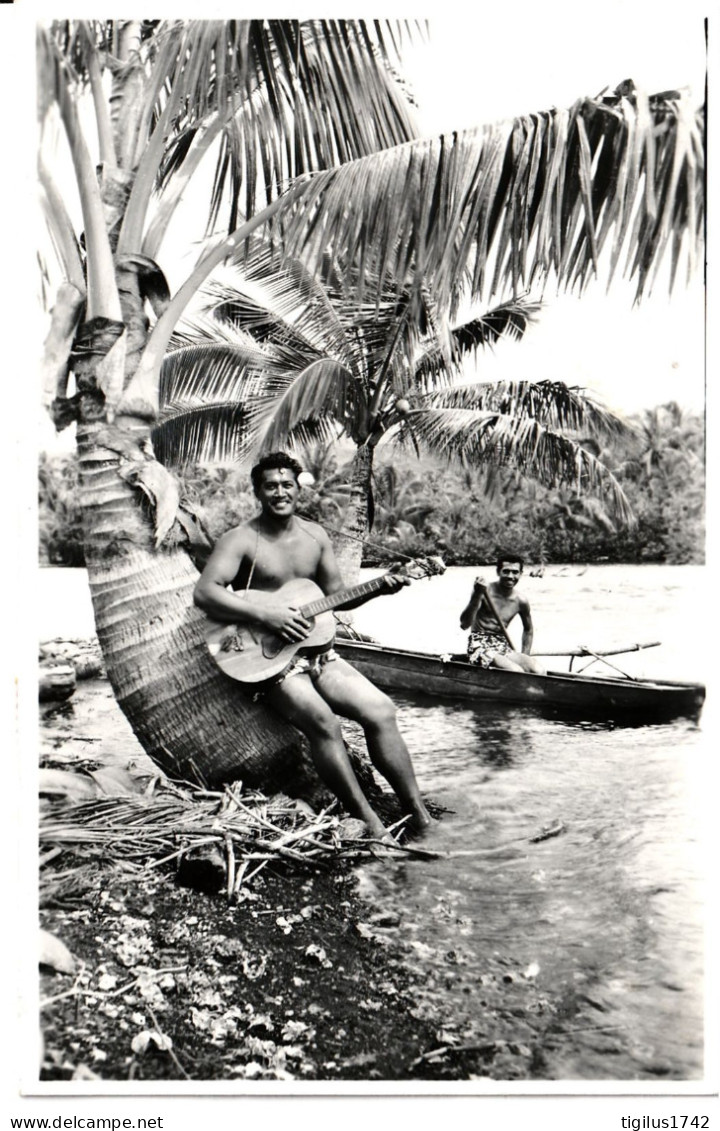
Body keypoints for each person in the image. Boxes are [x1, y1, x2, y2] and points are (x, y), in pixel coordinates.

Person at [193, 451, 432, 845]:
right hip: (265, 658)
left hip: (319, 653)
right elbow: (205, 593)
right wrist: (267, 616)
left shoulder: (315, 536)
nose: (280, 492)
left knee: (382, 711)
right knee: (326, 724)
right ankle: (370, 823)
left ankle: (419, 815)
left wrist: (380, 588)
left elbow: (336, 596)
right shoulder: (239, 539)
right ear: (257, 490)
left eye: (287, 484)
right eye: (270, 485)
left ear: (298, 488)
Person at [459, 553, 545, 674]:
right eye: (506, 571)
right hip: (480, 645)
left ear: (521, 574)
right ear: (498, 572)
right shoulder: (484, 591)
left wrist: (524, 655)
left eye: (515, 572)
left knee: (538, 671)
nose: (510, 576)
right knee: (516, 672)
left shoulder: (521, 600)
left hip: (503, 646)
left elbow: (528, 630)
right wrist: (477, 595)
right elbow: (464, 624)